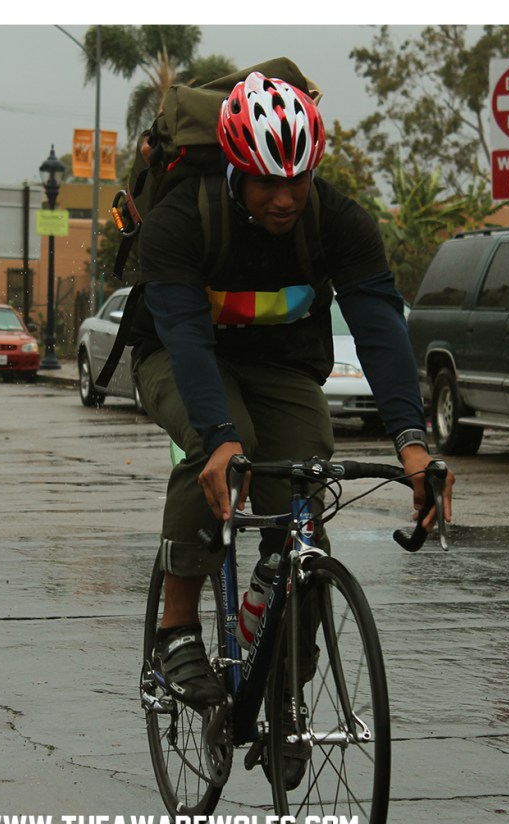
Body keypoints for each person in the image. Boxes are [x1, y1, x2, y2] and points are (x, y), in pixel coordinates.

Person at [129, 71, 456, 712]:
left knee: (306, 486)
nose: (284, 199)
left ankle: (283, 680)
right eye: (266, 182)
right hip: (177, 354)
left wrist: (413, 444)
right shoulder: (182, 219)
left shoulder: (337, 220)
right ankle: (175, 633)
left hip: (280, 364)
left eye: (297, 181)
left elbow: (379, 329)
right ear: (236, 168)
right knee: (223, 450)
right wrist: (220, 438)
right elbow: (187, 338)